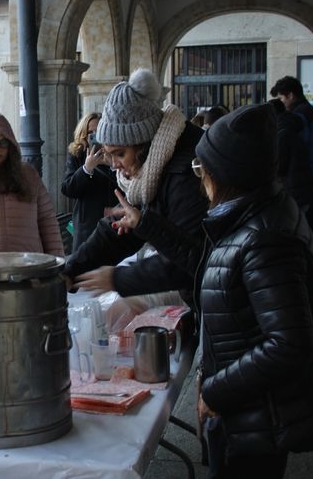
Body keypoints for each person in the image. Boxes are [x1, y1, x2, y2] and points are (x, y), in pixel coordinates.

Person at [113, 103, 313, 478]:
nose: (198, 177)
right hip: (249, 405)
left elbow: (289, 343)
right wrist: (148, 224)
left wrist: (216, 391)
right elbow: (209, 263)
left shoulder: (266, 238)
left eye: (201, 168)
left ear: (226, 173)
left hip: (260, 411)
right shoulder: (250, 215)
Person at [62, 69, 207, 325]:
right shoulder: (152, 170)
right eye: (109, 155)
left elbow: (189, 260)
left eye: (119, 154)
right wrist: (71, 270)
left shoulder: (185, 171)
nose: (115, 165)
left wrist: (117, 278)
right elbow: (119, 230)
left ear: (143, 143)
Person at [0, 113, 64, 256]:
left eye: (3, 143)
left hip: (29, 263)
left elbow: (47, 221)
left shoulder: (28, 175)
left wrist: (58, 262)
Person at [270, 75, 313, 236]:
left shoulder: (298, 117)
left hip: (305, 176)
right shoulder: (308, 110)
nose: (282, 103)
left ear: (291, 95)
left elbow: (293, 151)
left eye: (282, 98)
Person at [60, 112, 117, 253]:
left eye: (99, 131)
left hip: (115, 222)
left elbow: (130, 185)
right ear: (83, 135)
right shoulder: (77, 156)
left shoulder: (117, 152)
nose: (95, 136)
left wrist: (113, 166)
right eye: (90, 132)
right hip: (88, 226)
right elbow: (68, 189)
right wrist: (87, 169)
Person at [268, 98, 313, 212]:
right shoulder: (291, 128)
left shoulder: (282, 134)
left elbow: (280, 166)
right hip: (302, 190)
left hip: (293, 192)